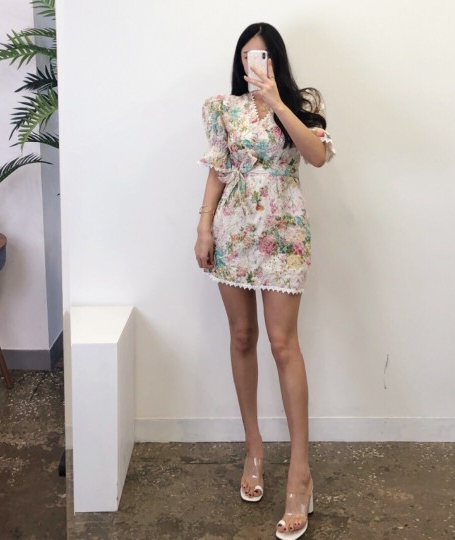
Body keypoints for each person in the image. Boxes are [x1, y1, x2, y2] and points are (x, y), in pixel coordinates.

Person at [194, 22, 335, 540]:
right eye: (248, 56)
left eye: (264, 55)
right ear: (240, 62)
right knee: (241, 337)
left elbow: (317, 156)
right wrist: (204, 226)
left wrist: (276, 101)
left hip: (282, 234)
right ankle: (253, 448)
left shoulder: (301, 105)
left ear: (277, 60)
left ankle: (300, 473)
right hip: (233, 231)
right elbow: (219, 170)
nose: (255, 63)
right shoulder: (222, 109)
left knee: (282, 344)